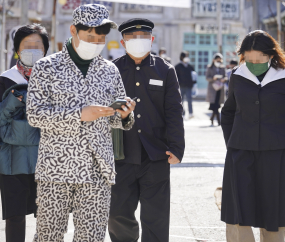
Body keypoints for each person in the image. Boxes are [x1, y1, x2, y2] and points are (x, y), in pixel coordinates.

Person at [26, 4, 135, 242]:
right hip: (56, 168)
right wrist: (78, 114)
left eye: (101, 38)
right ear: (73, 30)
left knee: (92, 237)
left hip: (98, 169)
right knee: (48, 236)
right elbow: (34, 115)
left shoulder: (109, 70)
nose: (96, 42)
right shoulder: (47, 67)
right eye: (90, 36)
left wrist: (124, 114)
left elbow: (114, 118)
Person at [108, 18, 185, 242]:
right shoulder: (112, 70)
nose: (138, 41)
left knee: (156, 217)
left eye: (143, 37)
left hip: (156, 154)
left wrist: (177, 148)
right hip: (120, 154)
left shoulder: (165, 70)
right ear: (123, 42)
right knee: (118, 214)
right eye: (132, 37)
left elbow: (173, 111)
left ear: (151, 40)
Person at [221, 30, 285, 242]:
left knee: (274, 208)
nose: (255, 63)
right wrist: (232, 142)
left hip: (277, 153)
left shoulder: (282, 76)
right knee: (240, 207)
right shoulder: (237, 76)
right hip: (240, 151)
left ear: (271, 55)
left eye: (260, 59)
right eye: (250, 59)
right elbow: (228, 112)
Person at [0, 23, 49, 242]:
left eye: (37, 45)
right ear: (17, 50)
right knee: (15, 217)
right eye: (26, 45)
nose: (32, 49)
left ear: (46, 49)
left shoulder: (54, 79)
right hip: (12, 161)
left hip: (48, 160)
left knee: (47, 216)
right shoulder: (5, 80)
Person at [206, 53, 227, 126]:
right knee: (215, 105)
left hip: (220, 88)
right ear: (214, 60)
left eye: (220, 61)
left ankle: (212, 118)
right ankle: (218, 121)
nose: (218, 62)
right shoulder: (210, 67)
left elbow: (226, 77)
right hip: (212, 89)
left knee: (217, 105)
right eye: (217, 60)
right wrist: (213, 78)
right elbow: (207, 77)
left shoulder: (223, 68)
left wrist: (223, 79)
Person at [175, 51, 196, 119]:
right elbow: (175, 77)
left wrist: (194, 83)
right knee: (181, 101)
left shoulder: (190, 67)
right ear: (182, 57)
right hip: (180, 86)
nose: (187, 58)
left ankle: (190, 113)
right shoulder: (178, 67)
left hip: (189, 86)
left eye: (187, 56)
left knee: (189, 100)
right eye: (185, 56)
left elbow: (194, 76)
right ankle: (182, 114)